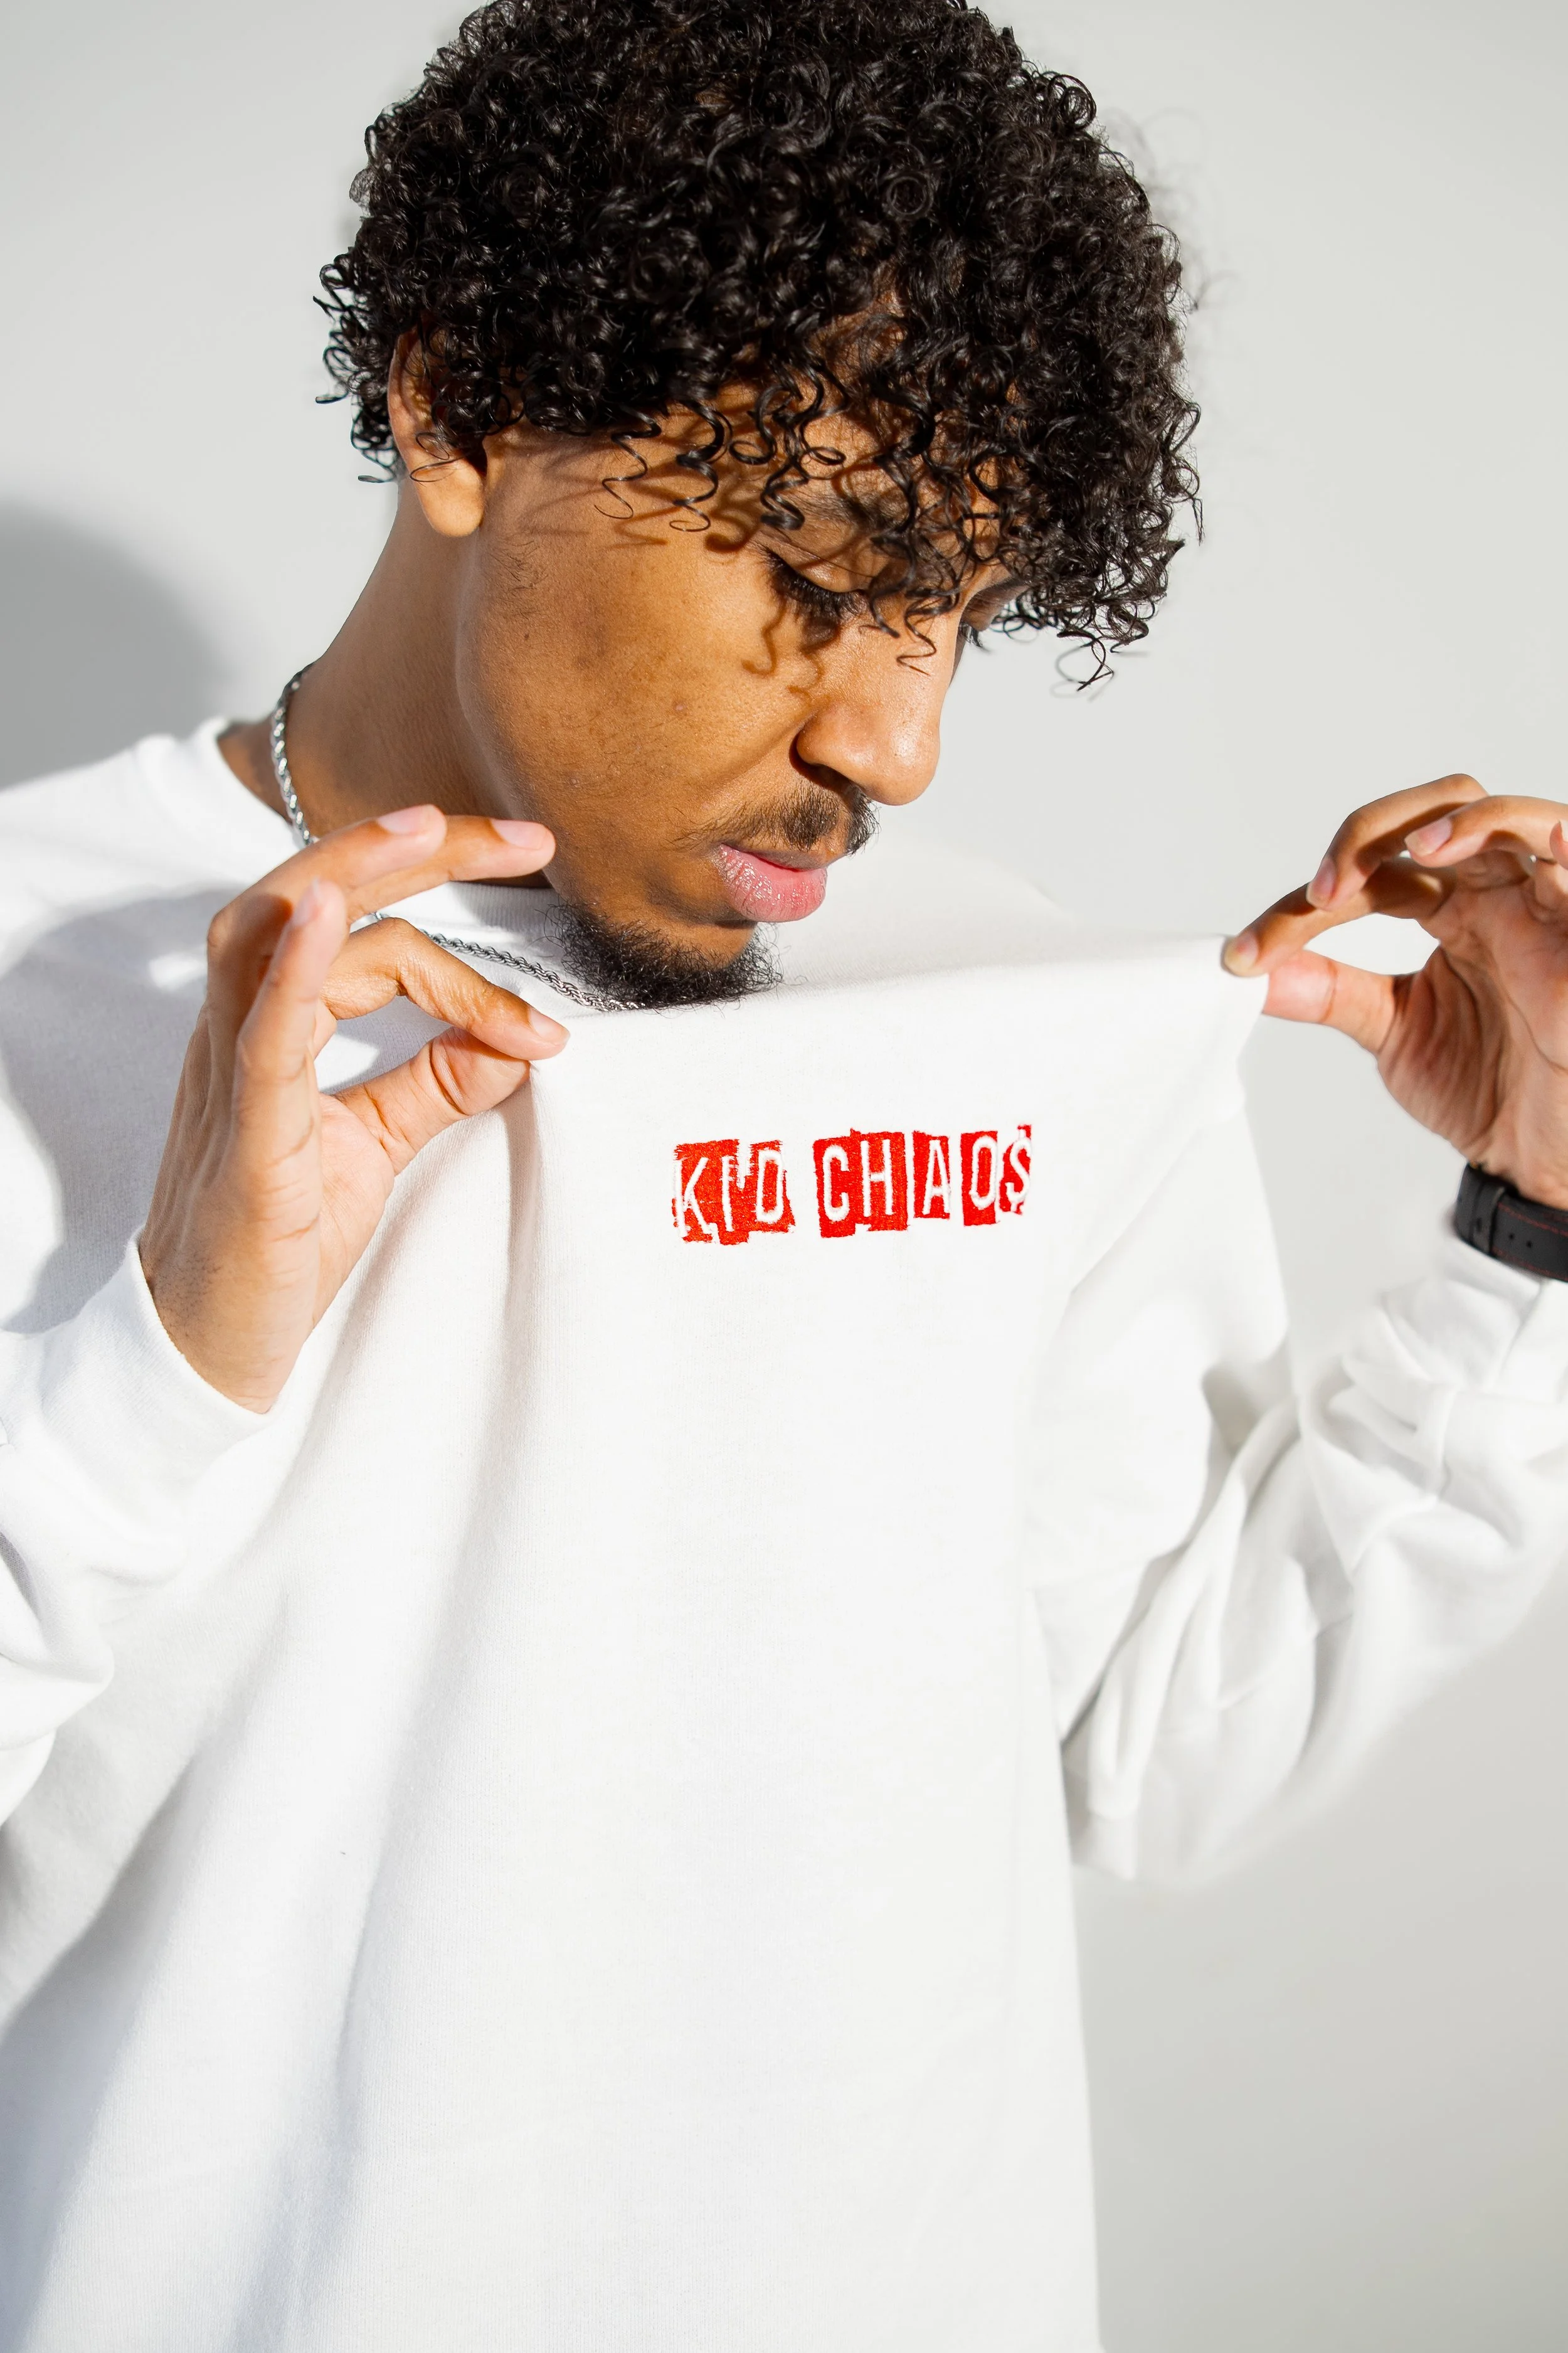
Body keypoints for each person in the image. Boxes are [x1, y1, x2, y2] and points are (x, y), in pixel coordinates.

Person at [1, 2, 1565, 2345]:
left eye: (958, 616)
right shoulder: (33, 967)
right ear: (459, 407)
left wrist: (1531, 1239)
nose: (897, 741)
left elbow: (1154, 1755)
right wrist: (156, 1377)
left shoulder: (985, 999)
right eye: (817, 569)